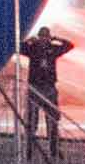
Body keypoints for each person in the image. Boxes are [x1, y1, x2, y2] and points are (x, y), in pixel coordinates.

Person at [20, 26, 75, 157]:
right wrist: (29, 41)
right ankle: (29, 149)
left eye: (46, 37)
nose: (43, 39)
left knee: (53, 120)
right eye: (42, 36)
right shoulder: (32, 48)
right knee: (32, 121)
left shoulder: (53, 49)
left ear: (48, 37)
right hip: (35, 87)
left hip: (49, 87)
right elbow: (18, 47)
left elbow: (69, 45)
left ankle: (54, 149)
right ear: (39, 37)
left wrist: (56, 39)